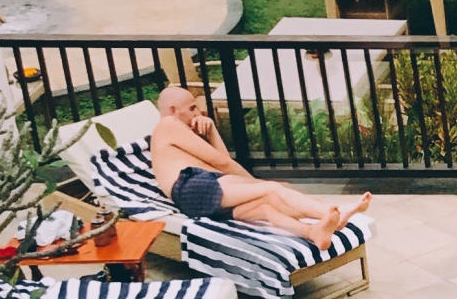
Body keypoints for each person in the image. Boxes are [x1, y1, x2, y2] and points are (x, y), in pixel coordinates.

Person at [149, 87, 369, 251]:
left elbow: (222, 164)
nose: (199, 112)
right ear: (173, 110)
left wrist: (212, 130)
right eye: (192, 107)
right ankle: (334, 213)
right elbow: (222, 163)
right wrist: (258, 184)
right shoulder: (168, 124)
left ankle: (313, 231)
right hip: (192, 186)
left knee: (267, 206)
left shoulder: (177, 134)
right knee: (271, 190)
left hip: (197, 195)